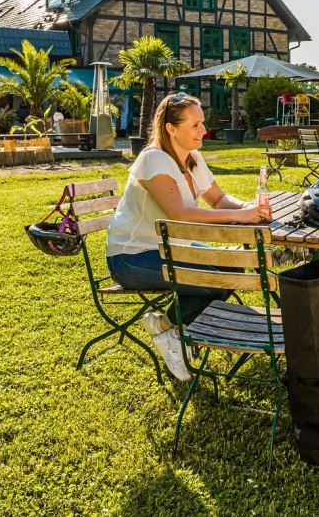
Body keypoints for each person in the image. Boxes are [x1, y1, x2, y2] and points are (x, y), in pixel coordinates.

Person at [106, 93, 271, 380]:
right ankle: (167, 330)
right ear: (171, 128)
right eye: (195, 125)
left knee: (232, 268)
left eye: (202, 123)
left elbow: (218, 200)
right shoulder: (154, 159)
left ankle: (174, 329)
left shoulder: (192, 159)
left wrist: (248, 207)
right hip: (131, 257)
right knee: (214, 282)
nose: (204, 131)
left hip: (172, 249)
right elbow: (179, 213)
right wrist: (241, 217)